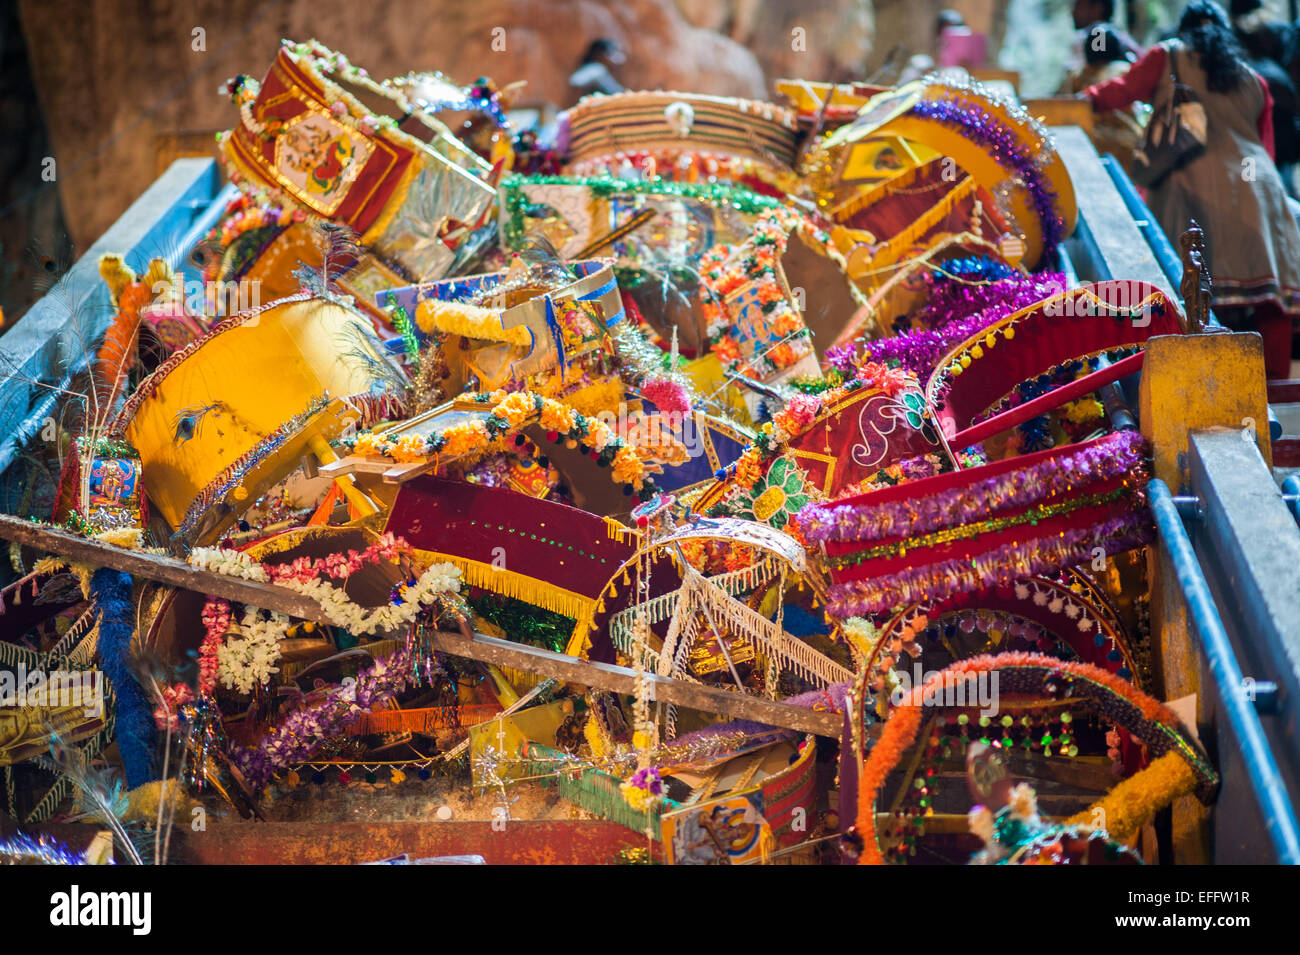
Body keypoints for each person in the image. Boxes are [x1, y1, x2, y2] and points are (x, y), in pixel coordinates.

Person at [1085, 0, 1300, 379]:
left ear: (1183, 30)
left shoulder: (1167, 56)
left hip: (1191, 186)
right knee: (1270, 300)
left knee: (1187, 299)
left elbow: (1116, 93)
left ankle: (1195, 384)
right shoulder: (1251, 76)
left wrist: (1078, 99)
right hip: (1258, 187)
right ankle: (1278, 388)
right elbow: (1264, 145)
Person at [1061, 23, 1145, 180]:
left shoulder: (1077, 75)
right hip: (1127, 146)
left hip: (1088, 147)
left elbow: (1063, 105)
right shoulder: (1125, 70)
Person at [1072, 0, 1143, 60]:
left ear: (1098, 8)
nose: (1073, 11)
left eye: (1079, 6)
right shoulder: (1121, 36)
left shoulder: (1092, 36)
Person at [568, 38, 626, 102]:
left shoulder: (599, 70)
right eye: (612, 53)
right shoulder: (596, 69)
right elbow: (575, 82)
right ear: (599, 54)